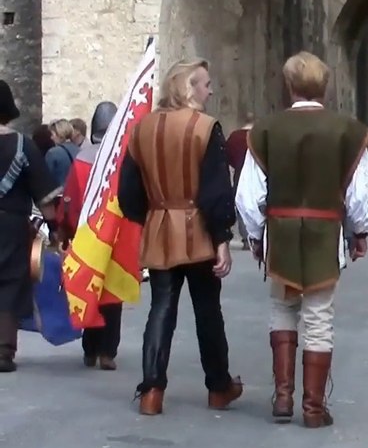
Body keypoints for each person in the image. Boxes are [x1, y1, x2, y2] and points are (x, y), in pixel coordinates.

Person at [235, 52, 368, 428]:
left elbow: (249, 196)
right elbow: (360, 195)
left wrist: (254, 236)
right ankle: (313, 409)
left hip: (279, 232)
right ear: (325, 87)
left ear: (289, 85)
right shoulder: (347, 130)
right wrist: (359, 232)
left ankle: (283, 398)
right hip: (324, 233)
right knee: (318, 316)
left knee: (283, 308)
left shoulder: (266, 129)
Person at [118, 58, 242, 416]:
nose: (210, 89)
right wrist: (222, 238)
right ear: (189, 88)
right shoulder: (205, 128)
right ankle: (218, 387)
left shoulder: (141, 130)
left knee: (161, 308)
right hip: (198, 227)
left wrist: (154, 215)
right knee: (207, 310)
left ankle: (152, 390)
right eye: (204, 83)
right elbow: (217, 190)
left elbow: (127, 192)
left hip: (159, 224)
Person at [59, 101, 124, 370]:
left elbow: (70, 202)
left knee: (89, 289)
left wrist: (68, 231)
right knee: (112, 291)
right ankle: (108, 351)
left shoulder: (81, 161)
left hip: (87, 235)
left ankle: (90, 348)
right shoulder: (123, 161)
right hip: (116, 236)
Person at [0, 80, 59, 373]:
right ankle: (2, 351)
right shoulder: (23, 145)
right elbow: (45, 196)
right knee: (10, 284)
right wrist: (55, 228)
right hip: (10, 224)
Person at [224, 114, 254, 250]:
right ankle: (255, 235)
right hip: (258, 174)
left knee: (241, 206)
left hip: (239, 174)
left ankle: (245, 236)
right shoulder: (258, 136)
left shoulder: (235, 137)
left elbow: (227, 155)